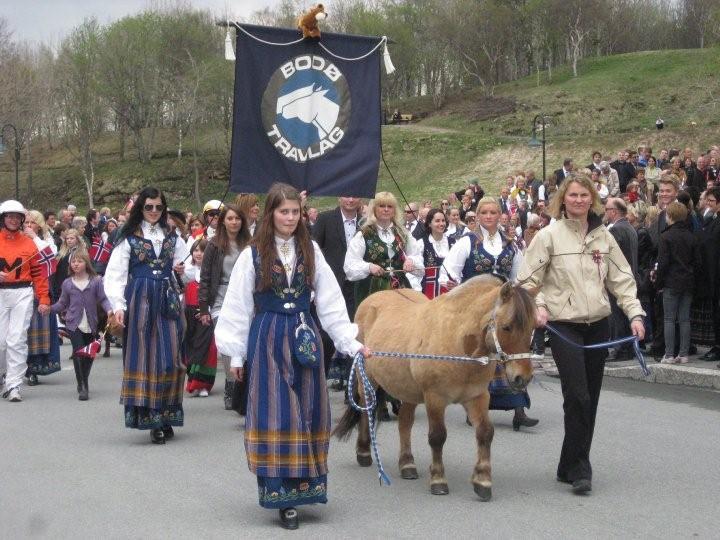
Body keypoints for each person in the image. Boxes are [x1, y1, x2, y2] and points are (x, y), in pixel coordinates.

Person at [214, 183, 369, 530]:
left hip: (304, 335)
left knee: (308, 409)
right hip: (268, 335)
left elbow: (329, 301)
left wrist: (349, 342)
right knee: (278, 412)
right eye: (283, 211)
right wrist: (235, 355)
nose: (289, 217)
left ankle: (304, 488)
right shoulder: (253, 253)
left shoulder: (310, 249)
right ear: (270, 214)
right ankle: (280, 494)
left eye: (295, 212)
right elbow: (237, 305)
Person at [517, 173, 645, 495]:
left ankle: (567, 463)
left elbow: (622, 279)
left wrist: (635, 314)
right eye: (572, 195)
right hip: (563, 325)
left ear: (593, 199)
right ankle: (580, 468)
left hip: (598, 324)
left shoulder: (604, 237)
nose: (578, 200)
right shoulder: (548, 236)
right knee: (578, 395)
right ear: (563, 199)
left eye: (584, 196)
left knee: (590, 398)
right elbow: (528, 281)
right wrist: (540, 307)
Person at [440, 196, 537, 431]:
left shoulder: (510, 244)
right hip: (476, 308)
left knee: (511, 348)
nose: (489, 216)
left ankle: (518, 410)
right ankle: (473, 406)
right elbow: (447, 272)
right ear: (478, 216)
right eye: (484, 213)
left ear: (500, 215)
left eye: (493, 212)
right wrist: (455, 286)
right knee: (480, 357)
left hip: (503, 306)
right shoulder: (467, 242)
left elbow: (519, 276)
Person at [104, 187, 188, 445]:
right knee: (146, 359)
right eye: (148, 207)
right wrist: (118, 305)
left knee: (171, 357)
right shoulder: (128, 237)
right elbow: (115, 274)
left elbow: (190, 270)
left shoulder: (173, 236)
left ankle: (167, 413)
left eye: (158, 207)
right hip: (139, 298)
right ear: (141, 208)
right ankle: (151, 418)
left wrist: (182, 271)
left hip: (167, 298)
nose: (153, 211)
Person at [198, 204, 251, 411]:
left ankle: (243, 388)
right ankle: (231, 386)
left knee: (244, 344)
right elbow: (205, 277)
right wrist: (203, 308)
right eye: (230, 218)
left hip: (244, 299)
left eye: (237, 218)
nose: (234, 222)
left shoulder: (250, 244)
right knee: (229, 343)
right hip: (221, 299)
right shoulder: (214, 245)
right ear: (223, 222)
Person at [0, 200, 52, 403]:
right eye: (9, 216)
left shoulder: (29, 243)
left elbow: (39, 274)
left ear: (22, 219)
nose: (13, 219)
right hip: (1, 294)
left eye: (17, 216)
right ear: (3, 218)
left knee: (16, 339)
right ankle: (4, 373)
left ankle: (14, 384)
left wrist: (44, 299)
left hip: (23, 292)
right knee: (1, 342)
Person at [49, 249, 112, 400]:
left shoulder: (96, 281)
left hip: (91, 323)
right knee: (79, 352)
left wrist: (110, 310)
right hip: (73, 323)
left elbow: (103, 299)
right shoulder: (67, 283)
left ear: (86, 263)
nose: (76, 264)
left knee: (89, 355)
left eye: (79, 261)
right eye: (73, 262)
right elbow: (62, 303)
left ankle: (83, 378)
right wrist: (48, 309)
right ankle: (83, 386)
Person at [312, 196, 362, 385]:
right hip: (331, 286)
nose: (350, 199)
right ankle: (318, 382)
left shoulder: (365, 222)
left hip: (356, 286)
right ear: (339, 197)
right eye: (346, 195)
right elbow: (314, 249)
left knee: (354, 334)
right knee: (325, 337)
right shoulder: (325, 219)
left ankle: (353, 387)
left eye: (354, 195)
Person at [654, 202, 701, 364]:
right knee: (684, 319)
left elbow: (663, 263)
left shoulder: (666, 236)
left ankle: (668, 354)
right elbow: (698, 262)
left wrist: (658, 283)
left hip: (671, 281)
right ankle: (683, 353)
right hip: (688, 281)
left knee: (669, 319)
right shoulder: (692, 236)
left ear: (671, 216)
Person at [24, 210, 61, 385]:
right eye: (26, 222)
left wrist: (34, 238)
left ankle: (34, 368)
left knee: (36, 332)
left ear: (39, 225)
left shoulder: (46, 241)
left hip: (40, 291)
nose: (28, 226)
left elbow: (50, 257)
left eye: (32, 222)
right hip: (20, 290)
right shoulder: (18, 240)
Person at [182, 238, 217, 397]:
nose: (198, 253)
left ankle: (203, 384)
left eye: (202, 250)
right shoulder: (187, 270)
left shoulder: (211, 272)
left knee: (206, 348)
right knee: (191, 348)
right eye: (195, 250)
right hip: (188, 314)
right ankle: (192, 382)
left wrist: (206, 310)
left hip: (205, 314)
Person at [418, 208, 455, 299]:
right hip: (429, 293)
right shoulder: (421, 244)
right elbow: (417, 271)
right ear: (429, 224)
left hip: (450, 293)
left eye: (443, 221)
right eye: (437, 221)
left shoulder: (454, 243)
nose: (441, 224)